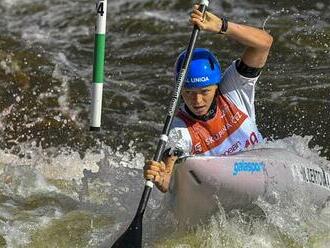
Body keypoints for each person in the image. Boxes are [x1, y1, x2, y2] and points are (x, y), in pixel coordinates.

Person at [144, 5, 273, 192]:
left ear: (216, 85)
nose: (197, 101)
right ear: (180, 91)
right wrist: (159, 177)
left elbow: (264, 43)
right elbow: (167, 182)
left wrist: (222, 26)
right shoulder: (179, 129)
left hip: (259, 167)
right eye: (188, 92)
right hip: (223, 186)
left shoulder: (233, 88)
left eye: (205, 91)